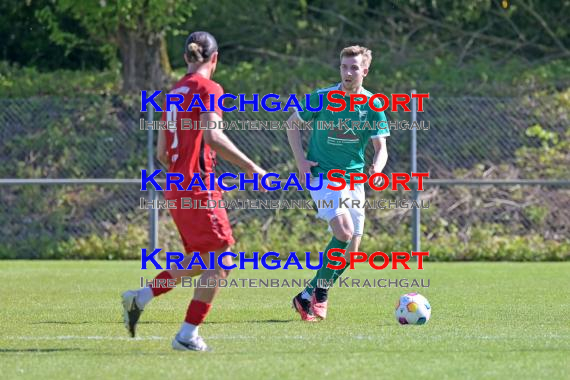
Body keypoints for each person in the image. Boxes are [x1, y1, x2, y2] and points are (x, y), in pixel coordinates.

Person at [122, 31, 266, 351]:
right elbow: (213, 136)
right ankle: (187, 335)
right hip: (195, 185)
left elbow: (162, 152)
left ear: (186, 58)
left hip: (176, 185)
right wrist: (250, 167)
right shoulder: (208, 87)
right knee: (222, 259)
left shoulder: (174, 92)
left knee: (202, 259)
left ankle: (139, 298)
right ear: (214, 59)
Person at [285, 45, 389, 321]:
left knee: (350, 253)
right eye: (344, 66)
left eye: (354, 67)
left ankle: (305, 295)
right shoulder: (323, 97)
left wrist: (377, 169)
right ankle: (321, 294)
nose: (348, 72)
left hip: (354, 181)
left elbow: (381, 148)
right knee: (342, 232)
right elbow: (292, 125)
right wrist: (301, 162)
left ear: (365, 71)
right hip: (323, 177)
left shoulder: (372, 105)